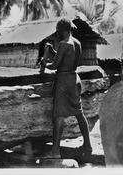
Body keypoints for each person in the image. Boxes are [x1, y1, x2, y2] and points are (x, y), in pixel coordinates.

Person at [41, 18, 92, 158]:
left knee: (59, 114)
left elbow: (55, 66)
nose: (57, 33)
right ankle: (87, 145)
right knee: (78, 112)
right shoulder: (77, 43)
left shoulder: (64, 44)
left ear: (61, 29)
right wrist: (52, 51)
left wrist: (44, 63)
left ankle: (55, 151)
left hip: (64, 81)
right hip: (75, 79)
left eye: (58, 30)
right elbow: (67, 61)